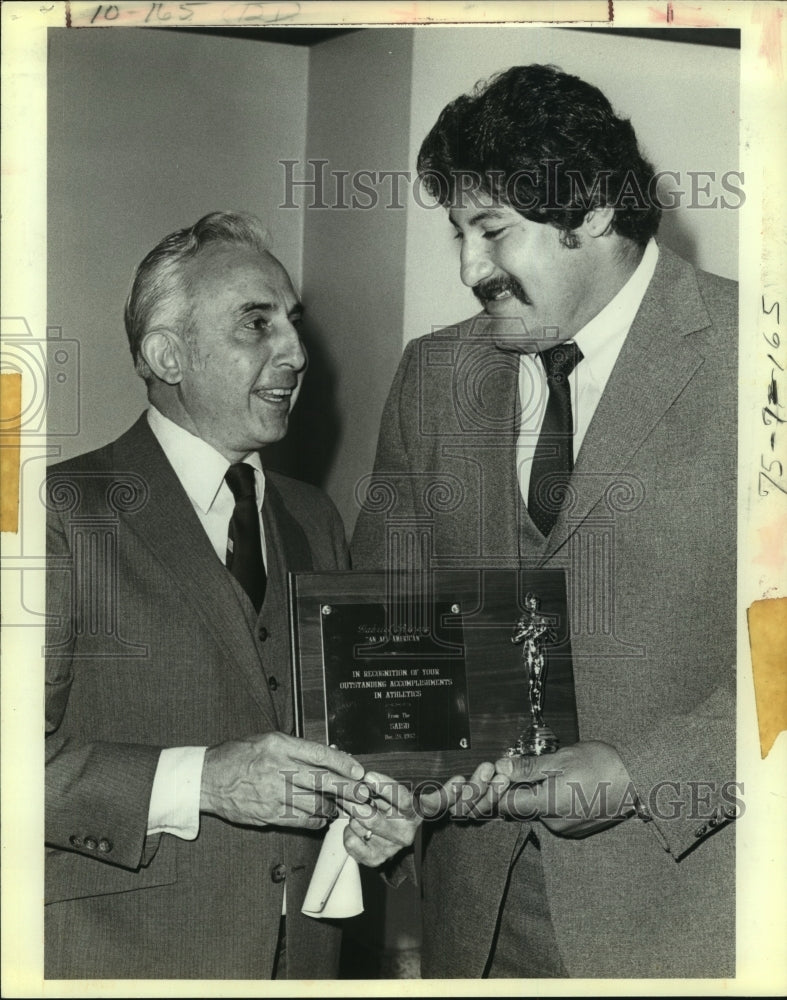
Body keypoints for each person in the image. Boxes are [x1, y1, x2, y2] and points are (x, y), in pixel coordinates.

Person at [352, 65, 737, 978]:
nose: (468, 269)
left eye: (492, 230)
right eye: (457, 233)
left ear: (593, 210)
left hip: (696, 918)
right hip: (473, 919)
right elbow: (384, 617)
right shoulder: (431, 375)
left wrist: (642, 772)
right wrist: (395, 780)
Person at [44, 212, 418, 979]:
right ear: (166, 354)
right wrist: (204, 780)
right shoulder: (57, 512)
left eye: (292, 322)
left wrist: (376, 814)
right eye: (256, 323)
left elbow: (349, 735)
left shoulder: (314, 518)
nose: (296, 353)